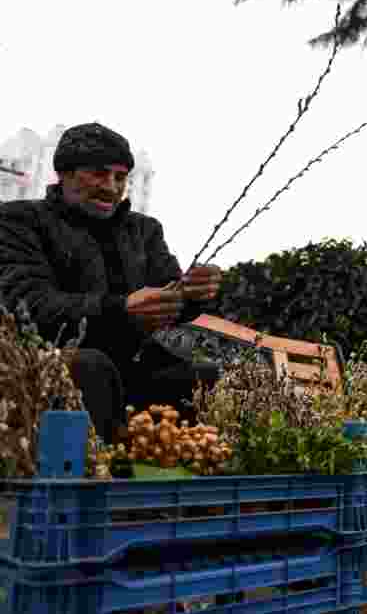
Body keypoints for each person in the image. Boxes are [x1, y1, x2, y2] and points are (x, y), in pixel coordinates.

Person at [0, 122, 223, 444]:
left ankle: (168, 468)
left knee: (200, 376)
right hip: (45, 359)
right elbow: (26, 303)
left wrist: (196, 292)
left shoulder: (144, 231)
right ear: (63, 173)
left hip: (133, 365)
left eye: (120, 177)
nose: (111, 186)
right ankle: (83, 474)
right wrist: (121, 308)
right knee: (90, 365)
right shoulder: (19, 220)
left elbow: (174, 296)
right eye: (99, 174)